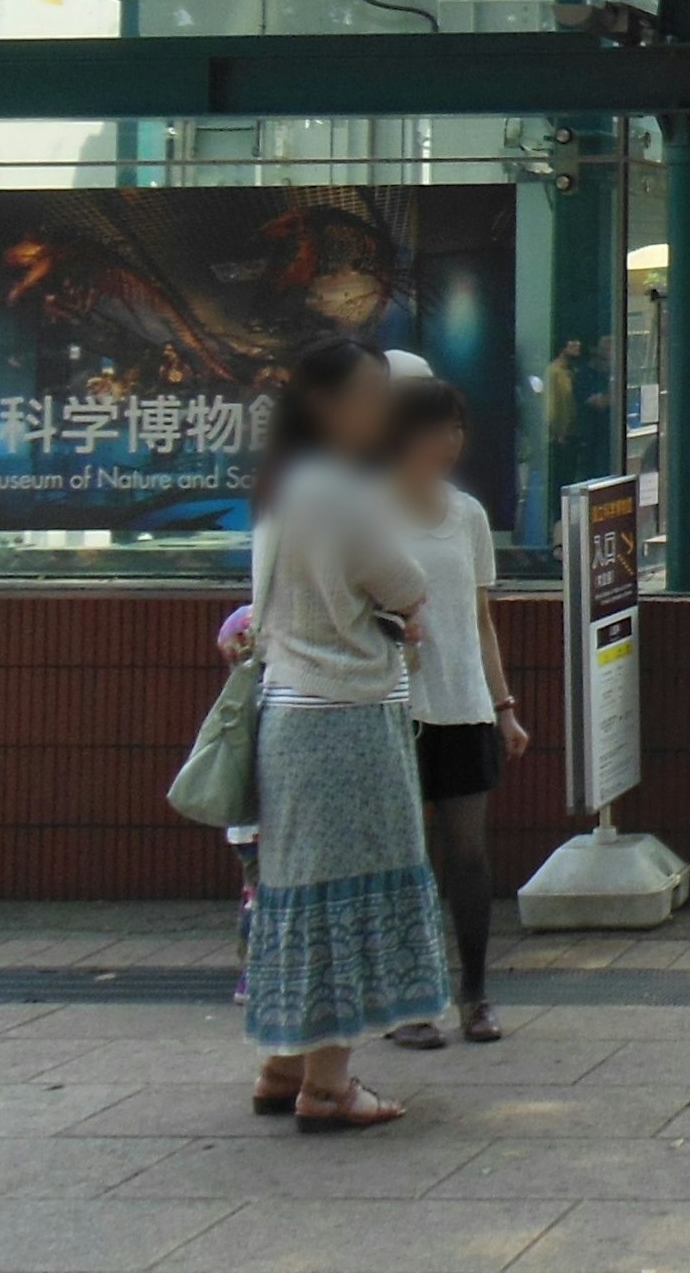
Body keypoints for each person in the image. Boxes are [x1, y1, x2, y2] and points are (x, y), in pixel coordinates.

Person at [238, 335, 455, 1129]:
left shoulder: (281, 483)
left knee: (296, 893)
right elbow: (404, 580)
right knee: (352, 895)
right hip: (349, 718)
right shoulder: (342, 489)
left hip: (287, 714)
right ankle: (328, 1084)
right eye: (370, 396)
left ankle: (282, 1059)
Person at [382, 374, 530, 1051]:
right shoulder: (371, 511)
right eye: (437, 428)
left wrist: (503, 707)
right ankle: (407, 1001)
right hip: (392, 706)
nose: (451, 441)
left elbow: (480, 619)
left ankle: (475, 992)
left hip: (462, 701)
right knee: (405, 854)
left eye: (457, 428)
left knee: (467, 853)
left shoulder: (467, 514)